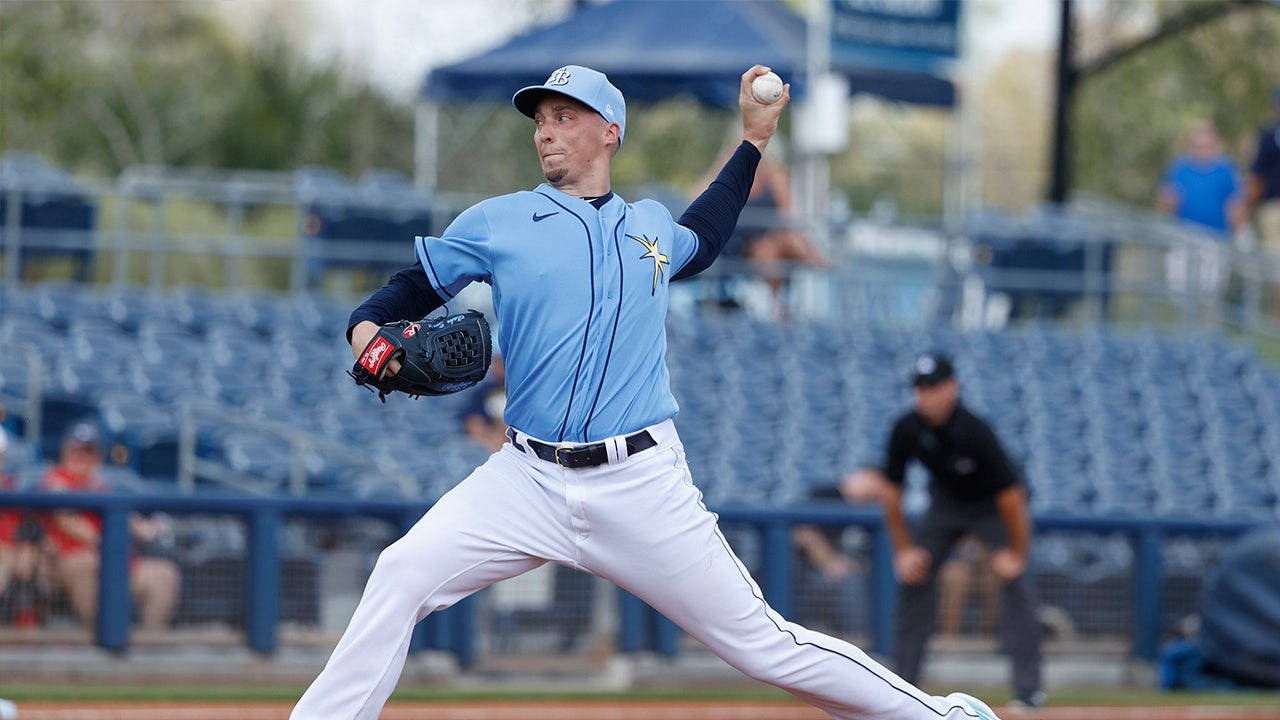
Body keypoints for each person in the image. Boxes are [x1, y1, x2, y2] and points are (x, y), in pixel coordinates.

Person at [292, 65, 1002, 720]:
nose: (545, 129)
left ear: (610, 131)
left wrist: (753, 142)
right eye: (540, 118)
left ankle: (939, 716)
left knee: (762, 644)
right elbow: (409, 288)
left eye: (565, 116)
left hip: (638, 481)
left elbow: (709, 229)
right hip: (525, 478)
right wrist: (364, 331)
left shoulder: (650, 229)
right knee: (401, 573)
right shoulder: (497, 221)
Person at [848, 354, 1043, 708]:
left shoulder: (975, 429)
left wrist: (1017, 553)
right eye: (919, 388)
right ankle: (902, 689)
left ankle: (1029, 692)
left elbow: (1013, 498)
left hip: (992, 507)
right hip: (947, 505)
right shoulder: (906, 427)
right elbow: (892, 492)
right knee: (914, 574)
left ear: (952, 388)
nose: (925, 395)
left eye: (932, 387)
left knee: (1016, 584)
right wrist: (904, 549)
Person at [41, 422, 180, 632]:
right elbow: (67, 520)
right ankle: (98, 641)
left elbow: (130, 521)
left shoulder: (101, 487)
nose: (81, 457)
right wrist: (110, 540)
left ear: (97, 457)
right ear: (65, 452)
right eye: (76, 451)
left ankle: (149, 647)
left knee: (165, 574)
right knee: (87, 562)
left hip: (115, 560)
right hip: (70, 561)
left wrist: (149, 528)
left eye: (88, 452)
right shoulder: (55, 480)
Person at [0, 426, 49, 628]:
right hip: (6, 560)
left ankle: (26, 631)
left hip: (16, 560)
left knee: (30, 560)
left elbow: (31, 531)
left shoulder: (13, 489)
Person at [1244, 88, 1280, 312]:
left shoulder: (1269, 136)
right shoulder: (1269, 137)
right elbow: (1257, 180)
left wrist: (1247, 206)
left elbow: (1256, 180)